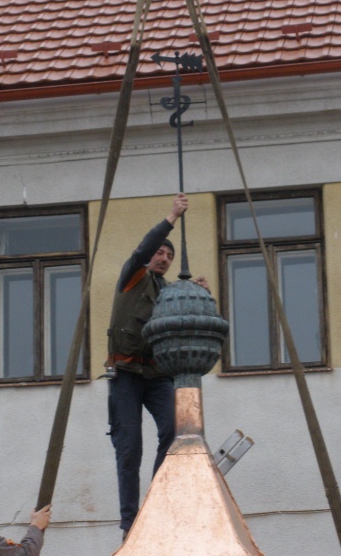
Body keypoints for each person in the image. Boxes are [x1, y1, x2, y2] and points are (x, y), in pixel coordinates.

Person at [106, 192, 208, 536]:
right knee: (129, 447)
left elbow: (179, 318)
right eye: (160, 253)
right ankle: (129, 522)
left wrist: (196, 293)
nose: (164, 258)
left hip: (155, 374)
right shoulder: (133, 277)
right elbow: (142, 250)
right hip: (125, 373)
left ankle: (155, 501)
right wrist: (172, 218)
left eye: (169, 256)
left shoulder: (165, 290)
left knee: (175, 430)